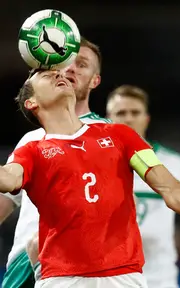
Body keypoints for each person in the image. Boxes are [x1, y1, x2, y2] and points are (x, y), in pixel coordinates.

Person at [0, 68, 180, 288]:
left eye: (59, 74)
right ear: (32, 102)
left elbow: (168, 185)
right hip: (62, 278)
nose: (59, 75)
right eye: (47, 76)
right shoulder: (32, 151)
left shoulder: (121, 136)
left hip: (123, 276)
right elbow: (8, 179)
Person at [1, 37, 112, 288]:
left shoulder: (111, 136)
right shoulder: (31, 141)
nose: (70, 69)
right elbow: (6, 198)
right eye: (66, 62)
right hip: (22, 267)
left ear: (95, 81)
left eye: (82, 64)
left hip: (83, 268)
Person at [106, 85, 180, 288]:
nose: (128, 118)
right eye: (121, 113)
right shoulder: (92, 163)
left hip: (160, 279)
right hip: (108, 279)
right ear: (108, 119)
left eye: (135, 112)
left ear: (146, 118)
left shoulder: (175, 163)